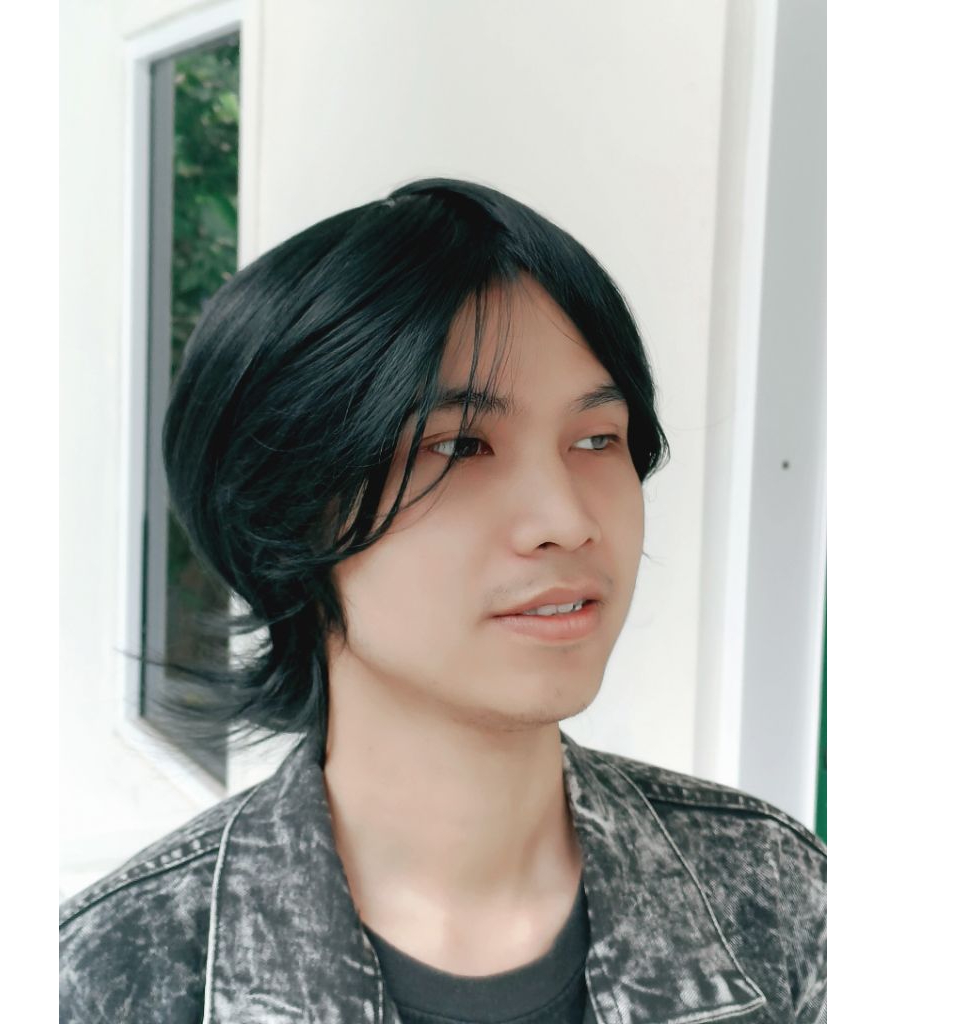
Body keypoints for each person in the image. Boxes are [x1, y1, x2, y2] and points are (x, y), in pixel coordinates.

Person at [59, 178, 826, 1024]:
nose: (567, 520)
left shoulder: (774, 894)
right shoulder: (117, 976)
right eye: (460, 446)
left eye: (597, 438)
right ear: (286, 511)